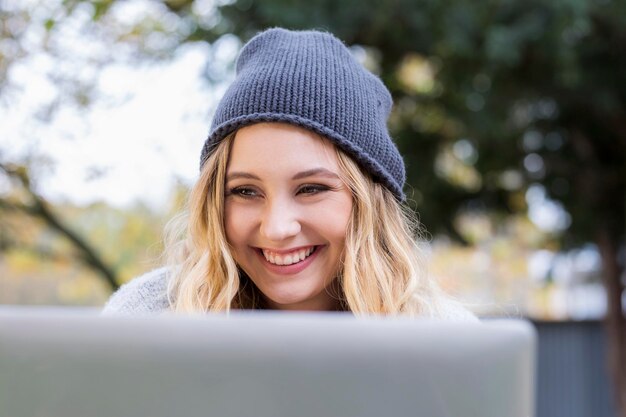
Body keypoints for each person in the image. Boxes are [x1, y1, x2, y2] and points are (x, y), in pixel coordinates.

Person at [102, 28, 476, 321]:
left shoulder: (443, 336)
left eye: (311, 188)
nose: (277, 229)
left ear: (367, 202)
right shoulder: (146, 318)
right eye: (245, 191)